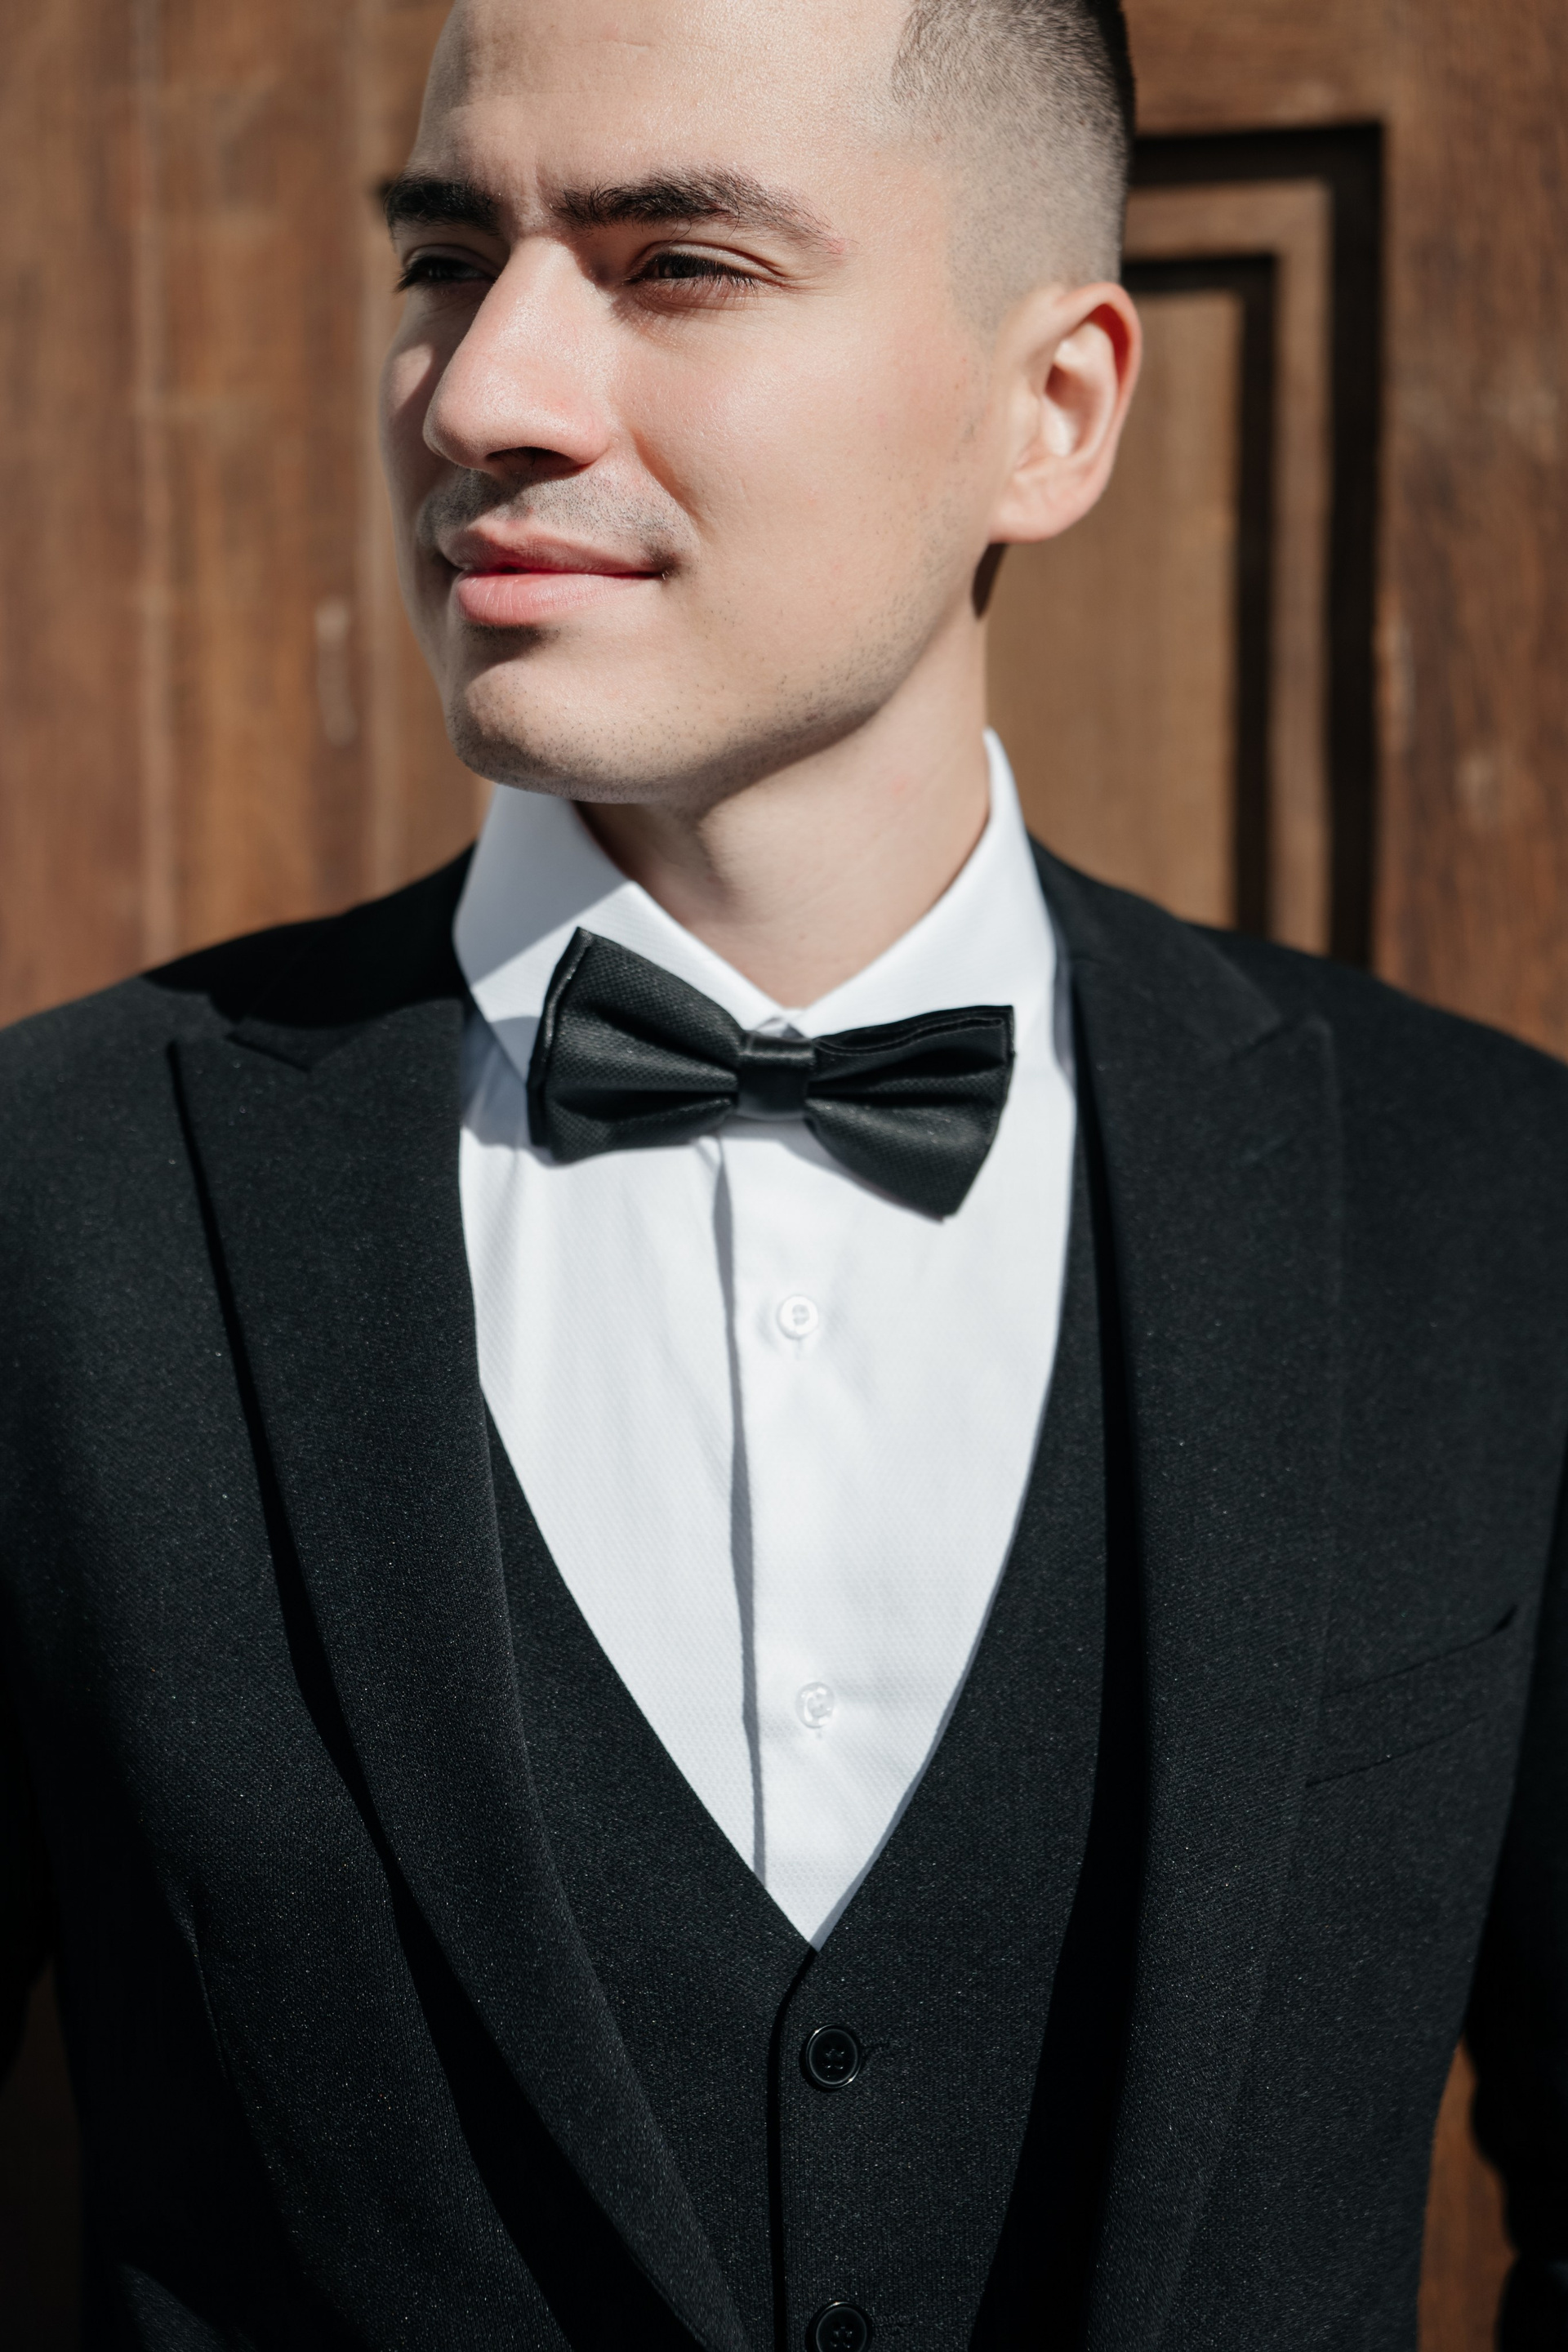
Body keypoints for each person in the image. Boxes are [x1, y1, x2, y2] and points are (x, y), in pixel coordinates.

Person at [2, 0, 1566, 2345]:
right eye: (447, 255)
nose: (482, 392)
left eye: (682, 264)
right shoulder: (51, 1198)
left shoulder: (1489, 1203)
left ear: (1053, 412)